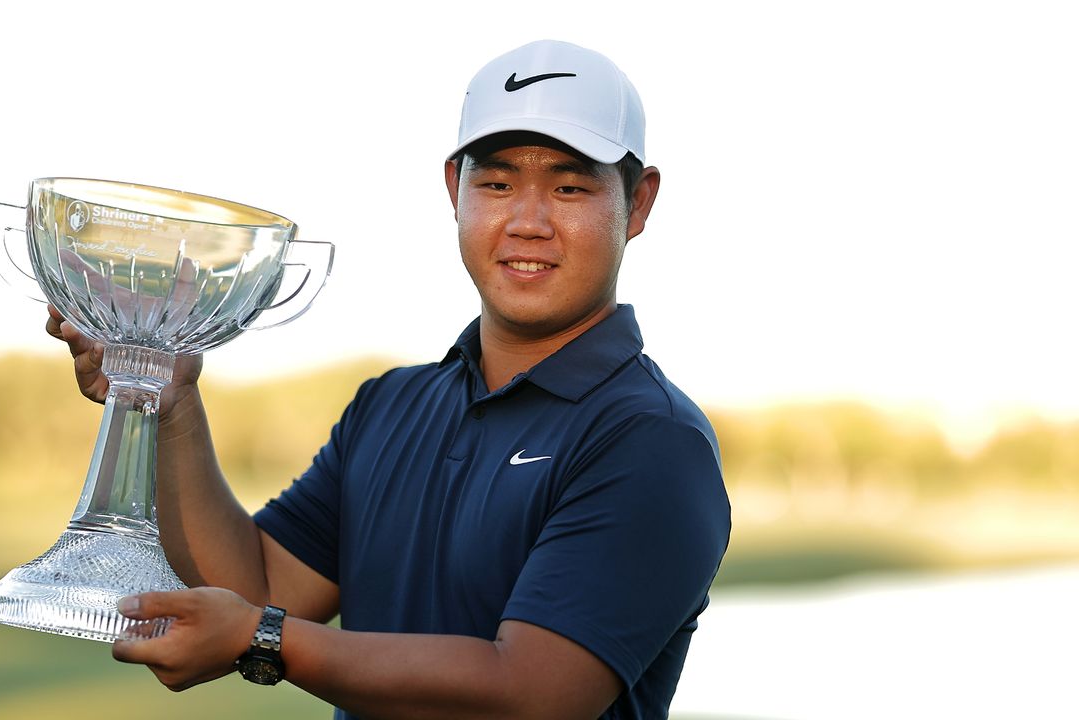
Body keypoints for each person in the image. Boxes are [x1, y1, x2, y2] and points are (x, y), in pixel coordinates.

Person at [46, 39, 730, 720]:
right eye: (496, 183)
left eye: (570, 186)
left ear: (638, 204)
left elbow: (531, 693)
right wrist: (173, 408)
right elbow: (256, 586)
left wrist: (264, 641)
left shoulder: (651, 440)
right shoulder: (391, 407)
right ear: (453, 190)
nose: (528, 222)